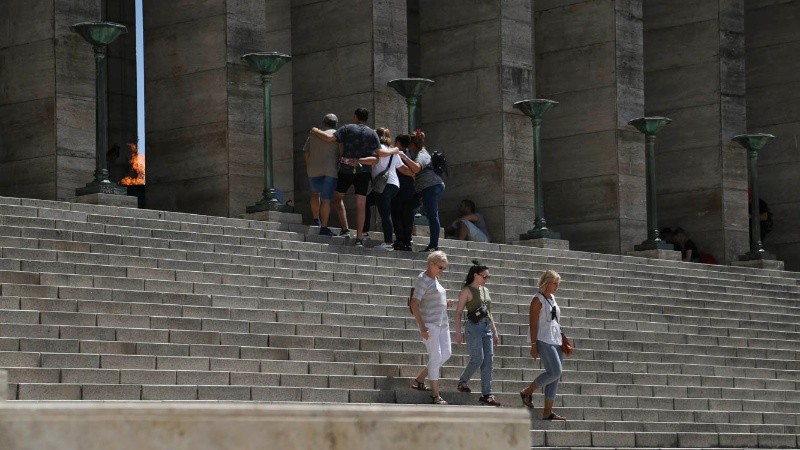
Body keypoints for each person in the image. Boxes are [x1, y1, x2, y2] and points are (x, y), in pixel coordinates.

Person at [310, 107, 382, 247]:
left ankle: (345, 228)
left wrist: (315, 130)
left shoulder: (347, 128)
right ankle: (359, 238)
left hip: (346, 170)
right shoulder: (372, 133)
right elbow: (376, 158)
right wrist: (360, 160)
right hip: (364, 172)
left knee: (337, 198)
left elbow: (329, 138)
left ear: (355, 116)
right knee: (361, 204)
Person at [520, 269, 566, 421]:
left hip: (556, 339)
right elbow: (532, 324)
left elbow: (555, 321)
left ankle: (547, 412)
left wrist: (563, 338)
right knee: (555, 372)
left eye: (558, 283)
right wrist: (533, 345)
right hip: (543, 339)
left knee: (555, 377)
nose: (557, 286)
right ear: (546, 283)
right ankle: (528, 390)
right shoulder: (537, 299)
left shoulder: (552, 298)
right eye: (554, 283)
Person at [453, 260, 501, 406]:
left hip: (486, 327)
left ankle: (487, 394)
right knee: (478, 358)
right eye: (484, 276)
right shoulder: (467, 290)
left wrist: (495, 331)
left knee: (489, 361)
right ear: (476, 275)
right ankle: (463, 381)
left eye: (488, 277)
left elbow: (489, 313)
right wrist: (458, 332)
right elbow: (458, 313)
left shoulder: (485, 290)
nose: (487, 279)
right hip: (474, 327)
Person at [409, 250, 453, 405]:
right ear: (431, 264)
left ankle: (419, 379)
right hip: (430, 324)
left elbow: (433, 298)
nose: (442, 270)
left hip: (443, 323)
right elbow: (414, 303)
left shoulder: (436, 279)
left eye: (444, 268)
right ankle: (435, 395)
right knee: (435, 357)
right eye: (440, 267)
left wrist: (445, 303)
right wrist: (422, 327)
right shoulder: (423, 279)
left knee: (446, 354)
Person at [359, 127, 407, 251]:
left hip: (383, 185)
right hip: (393, 184)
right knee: (367, 202)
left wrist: (358, 160)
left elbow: (374, 160)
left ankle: (388, 243)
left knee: (385, 214)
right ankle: (365, 232)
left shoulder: (377, 148)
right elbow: (402, 168)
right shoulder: (392, 150)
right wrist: (413, 174)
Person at [398, 130, 445, 252]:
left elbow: (417, 168)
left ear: (413, 145)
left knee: (432, 215)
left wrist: (404, 157)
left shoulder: (422, 154)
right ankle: (406, 238)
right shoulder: (419, 153)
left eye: (409, 144)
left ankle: (433, 245)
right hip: (425, 188)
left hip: (431, 186)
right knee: (409, 208)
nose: (408, 147)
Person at [302, 113, 339, 236]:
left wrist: (309, 166)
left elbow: (306, 152)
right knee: (326, 199)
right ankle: (324, 226)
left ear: (324, 123)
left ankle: (315, 219)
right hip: (330, 170)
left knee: (315, 194)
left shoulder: (313, 135)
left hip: (313, 170)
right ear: (336, 124)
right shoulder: (338, 135)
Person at [390, 134, 417, 251]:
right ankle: (408, 241)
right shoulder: (410, 155)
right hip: (410, 190)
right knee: (407, 216)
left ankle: (400, 241)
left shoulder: (396, 153)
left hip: (398, 190)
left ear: (397, 142)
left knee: (397, 216)